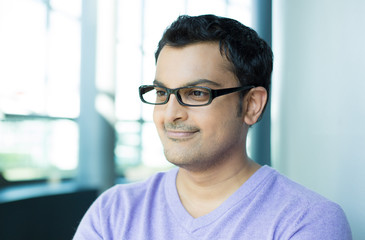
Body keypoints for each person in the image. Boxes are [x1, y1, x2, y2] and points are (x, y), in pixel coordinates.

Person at [73, 14, 352, 239]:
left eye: (196, 93)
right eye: (161, 93)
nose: (171, 113)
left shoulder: (307, 220)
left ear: (251, 105)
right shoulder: (114, 211)